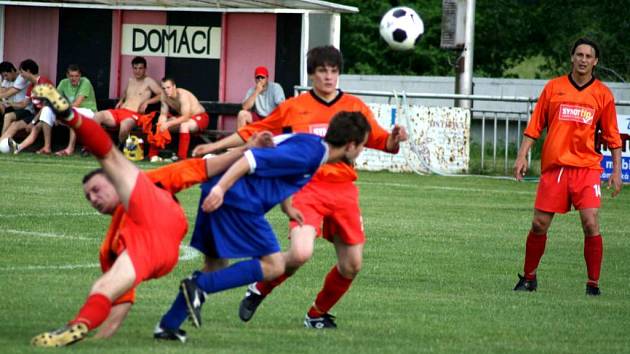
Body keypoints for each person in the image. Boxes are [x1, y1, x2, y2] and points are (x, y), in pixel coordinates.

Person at [28, 83, 272, 347]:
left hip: (155, 219)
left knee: (111, 159)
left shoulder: (143, 183)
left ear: (112, 183)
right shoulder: (110, 244)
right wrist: (103, 337)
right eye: (89, 198)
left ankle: (70, 116)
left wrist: (246, 150)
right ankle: (79, 325)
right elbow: (122, 300)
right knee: (103, 289)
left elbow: (204, 167)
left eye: (96, 190)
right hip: (154, 250)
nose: (94, 199)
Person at [192, 45, 408, 329]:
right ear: (312, 74)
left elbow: (382, 141)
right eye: (322, 71)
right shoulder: (294, 108)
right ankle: (259, 289)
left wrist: (395, 138)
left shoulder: (355, 107)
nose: (329, 77)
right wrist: (214, 146)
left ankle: (316, 314)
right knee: (300, 254)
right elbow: (254, 131)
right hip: (307, 188)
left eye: (334, 71)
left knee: (352, 265)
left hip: (343, 191)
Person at [155, 111, 372, 342]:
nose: (362, 151)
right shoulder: (311, 154)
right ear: (350, 146)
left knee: (216, 265)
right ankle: (197, 286)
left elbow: (279, 163)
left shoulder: (312, 144)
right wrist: (222, 189)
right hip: (238, 200)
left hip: (221, 192)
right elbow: (251, 160)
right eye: (362, 146)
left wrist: (287, 206)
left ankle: (167, 326)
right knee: (274, 265)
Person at [512, 38, 622, 296]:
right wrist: (522, 156)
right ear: (572, 57)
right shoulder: (553, 88)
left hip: (587, 169)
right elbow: (534, 126)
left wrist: (616, 171)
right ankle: (529, 278)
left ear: (595, 62)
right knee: (539, 224)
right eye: (579, 54)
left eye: (588, 56)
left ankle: (593, 284)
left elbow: (613, 137)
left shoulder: (602, 94)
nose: (583, 59)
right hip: (556, 168)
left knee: (590, 222)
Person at [92, 56, 161, 147]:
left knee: (124, 125)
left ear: (145, 69)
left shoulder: (149, 81)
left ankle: (119, 148)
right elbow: (125, 92)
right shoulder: (130, 80)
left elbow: (162, 95)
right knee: (97, 116)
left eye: (140, 68)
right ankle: (94, 145)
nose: (137, 71)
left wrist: (147, 102)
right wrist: (121, 100)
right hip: (120, 111)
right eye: (135, 68)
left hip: (134, 115)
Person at [147, 77, 209, 161]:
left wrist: (168, 123)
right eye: (163, 88)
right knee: (160, 125)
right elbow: (163, 114)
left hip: (200, 117)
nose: (166, 90)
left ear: (174, 86)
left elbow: (186, 117)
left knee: (184, 125)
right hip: (184, 117)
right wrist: (161, 123)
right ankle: (152, 155)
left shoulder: (183, 95)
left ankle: (181, 157)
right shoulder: (164, 96)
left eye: (168, 87)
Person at [0, 59, 53, 154]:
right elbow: (23, 104)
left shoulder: (44, 82)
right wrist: (11, 104)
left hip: (49, 114)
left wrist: (32, 122)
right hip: (37, 115)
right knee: (14, 125)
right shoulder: (31, 86)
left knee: (35, 127)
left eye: (22, 72)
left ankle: (19, 148)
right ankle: (1, 145)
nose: (21, 75)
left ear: (28, 71)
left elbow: (46, 107)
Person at [54, 64, 98, 156]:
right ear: (67, 76)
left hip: (90, 112)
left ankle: (70, 149)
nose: (74, 78)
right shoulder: (63, 82)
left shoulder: (85, 81)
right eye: (71, 76)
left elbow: (77, 104)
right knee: (47, 110)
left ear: (80, 76)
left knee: (73, 112)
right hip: (72, 110)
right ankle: (46, 147)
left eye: (76, 76)